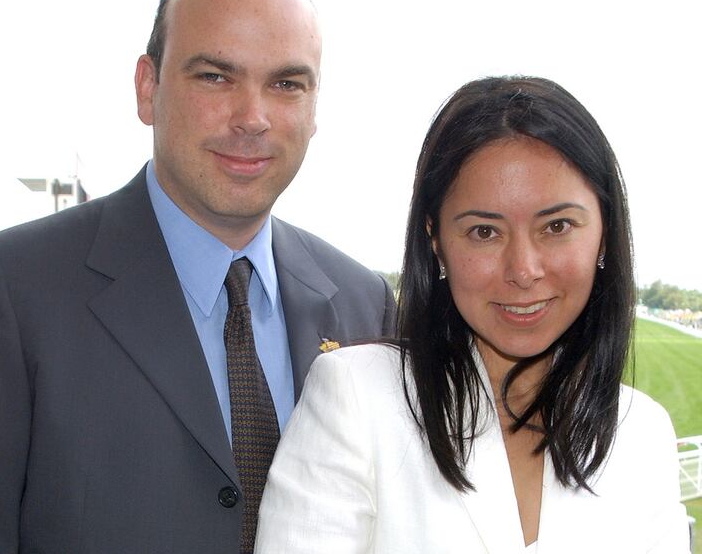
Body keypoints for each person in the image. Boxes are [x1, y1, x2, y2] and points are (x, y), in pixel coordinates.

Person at [0, 0, 394, 553]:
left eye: (287, 84)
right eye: (215, 76)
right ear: (147, 87)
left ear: (315, 108)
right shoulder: (10, 290)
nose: (252, 118)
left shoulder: (363, 304)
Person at [255, 76, 690, 553]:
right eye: (485, 232)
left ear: (604, 233)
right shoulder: (358, 398)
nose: (523, 270)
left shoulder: (642, 433)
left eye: (557, 226)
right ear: (435, 239)